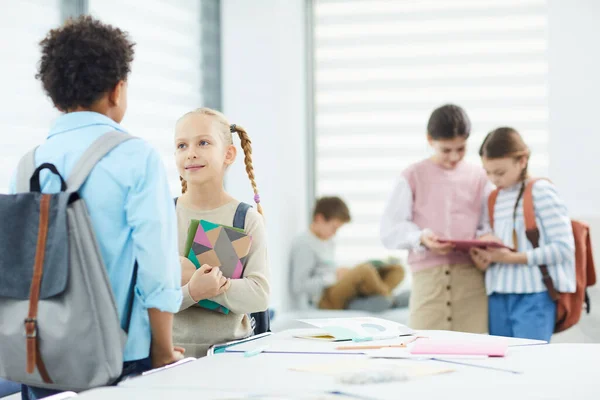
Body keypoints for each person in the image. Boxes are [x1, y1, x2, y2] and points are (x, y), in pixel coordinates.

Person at [11, 16, 183, 399]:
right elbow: (157, 263)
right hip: (120, 356)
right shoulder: (136, 157)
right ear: (117, 90)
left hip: (37, 356)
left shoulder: (27, 165)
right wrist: (163, 347)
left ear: (54, 96)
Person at [380, 104, 493, 333]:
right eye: (446, 149)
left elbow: (488, 224)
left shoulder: (480, 177)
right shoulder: (412, 176)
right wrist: (421, 238)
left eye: (460, 149)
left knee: (476, 354)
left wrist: (484, 245)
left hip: (471, 283)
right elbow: (389, 230)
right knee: (424, 353)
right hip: (427, 284)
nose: (454, 157)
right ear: (430, 140)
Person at [173, 108, 270, 357]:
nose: (191, 153)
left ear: (229, 154)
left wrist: (203, 281)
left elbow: (259, 295)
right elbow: (146, 297)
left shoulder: (247, 219)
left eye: (203, 142)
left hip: (232, 356)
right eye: (182, 145)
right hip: (170, 356)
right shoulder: (160, 216)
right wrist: (192, 291)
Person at [471, 127, 575, 341]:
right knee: (502, 367)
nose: (493, 179)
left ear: (522, 161)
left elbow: (564, 248)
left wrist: (514, 258)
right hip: (497, 296)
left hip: (534, 296)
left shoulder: (541, 191)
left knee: (531, 366)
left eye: (499, 172)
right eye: (487, 172)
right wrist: (486, 255)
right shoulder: (493, 198)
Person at [291, 196, 405, 311]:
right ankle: (389, 298)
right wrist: (333, 277)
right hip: (324, 298)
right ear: (319, 219)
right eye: (334, 228)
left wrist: (342, 273)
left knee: (396, 269)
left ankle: (378, 298)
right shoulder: (304, 244)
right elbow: (298, 286)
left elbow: (329, 267)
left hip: (338, 287)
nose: (334, 233)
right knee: (365, 270)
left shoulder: (328, 241)